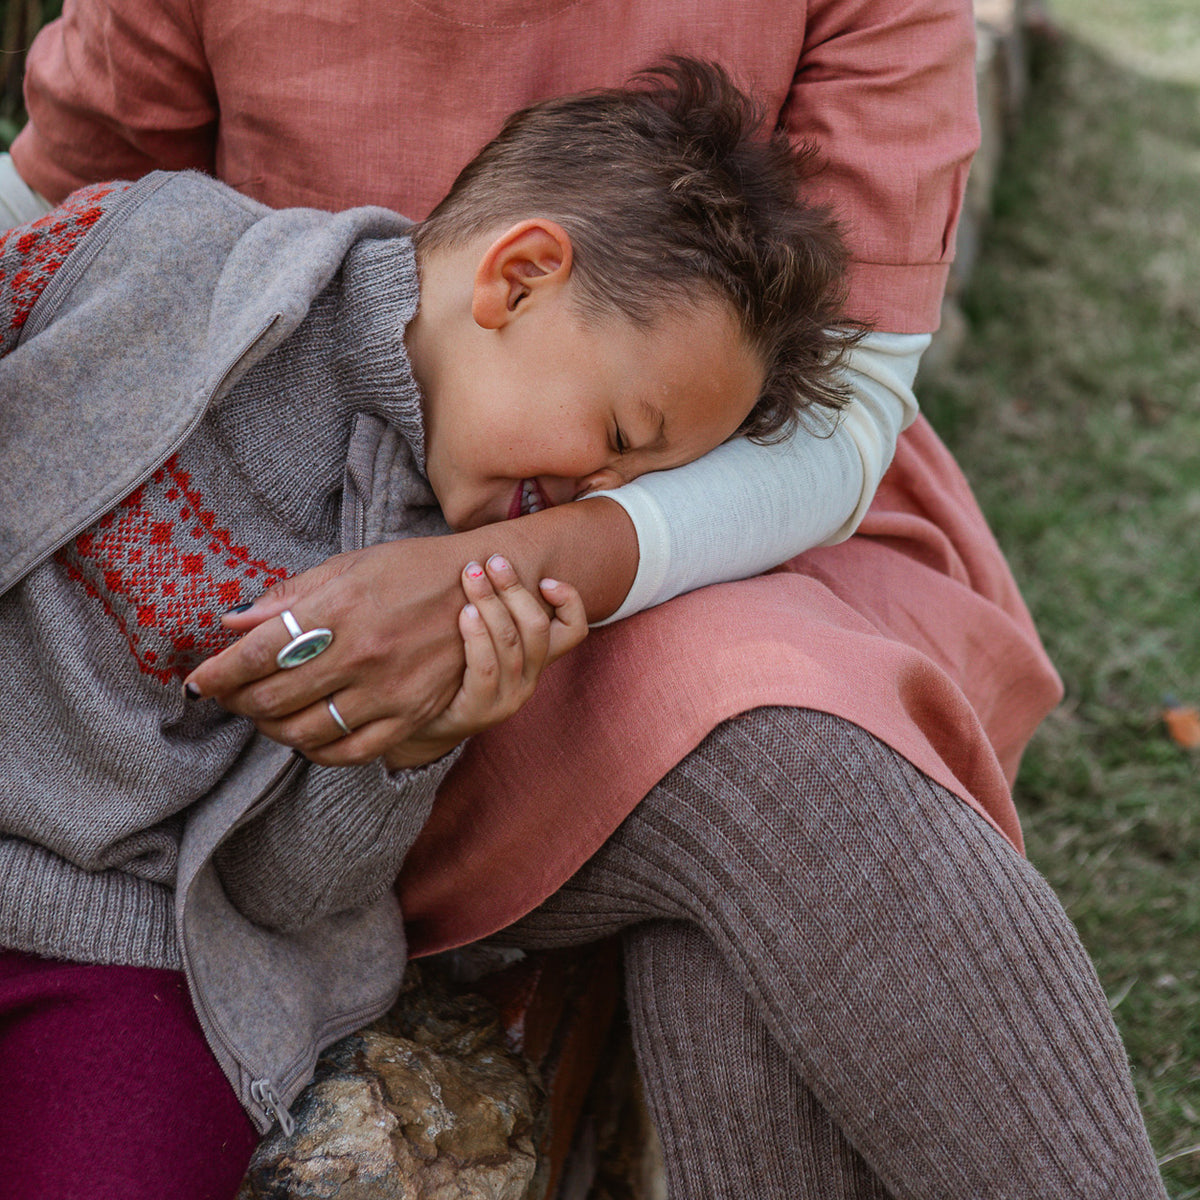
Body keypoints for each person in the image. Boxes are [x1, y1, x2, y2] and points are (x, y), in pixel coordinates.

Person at [1, 2, 1169, 1196]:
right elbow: (60, 227)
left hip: (752, 506)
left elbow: (842, 405)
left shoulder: (605, 454)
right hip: (332, 539)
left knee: (776, 745)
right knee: (754, 843)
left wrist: (509, 566)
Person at [0, 61, 863, 1197]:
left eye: (642, 478)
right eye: (618, 431)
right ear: (518, 277)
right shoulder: (165, 254)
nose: (596, 497)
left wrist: (406, 753)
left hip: (115, 949)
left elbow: (279, 898)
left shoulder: (451, 597)